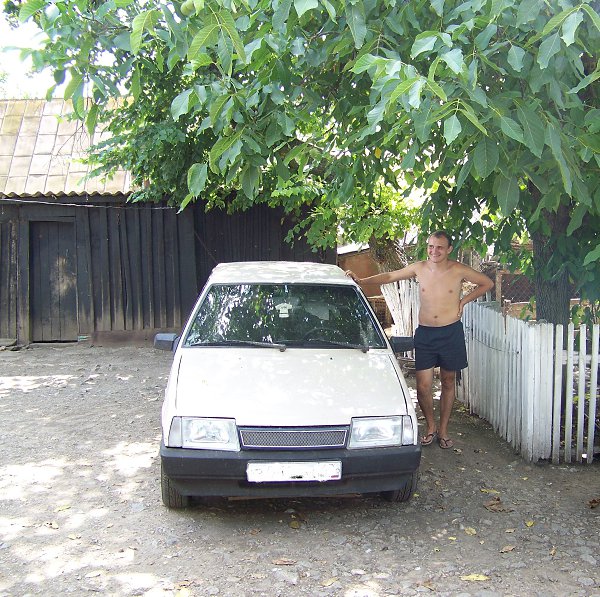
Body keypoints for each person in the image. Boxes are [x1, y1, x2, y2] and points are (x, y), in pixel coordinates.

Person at [345, 231, 494, 449]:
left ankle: (443, 430)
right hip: (426, 334)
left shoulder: (458, 269)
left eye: (439, 247)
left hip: (451, 332)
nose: (434, 251)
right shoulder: (419, 268)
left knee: (448, 381)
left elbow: (487, 283)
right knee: (423, 386)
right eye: (431, 246)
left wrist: (463, 301)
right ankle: (430, 427)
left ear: (449, 249)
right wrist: (361, 281)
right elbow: (390, 276)